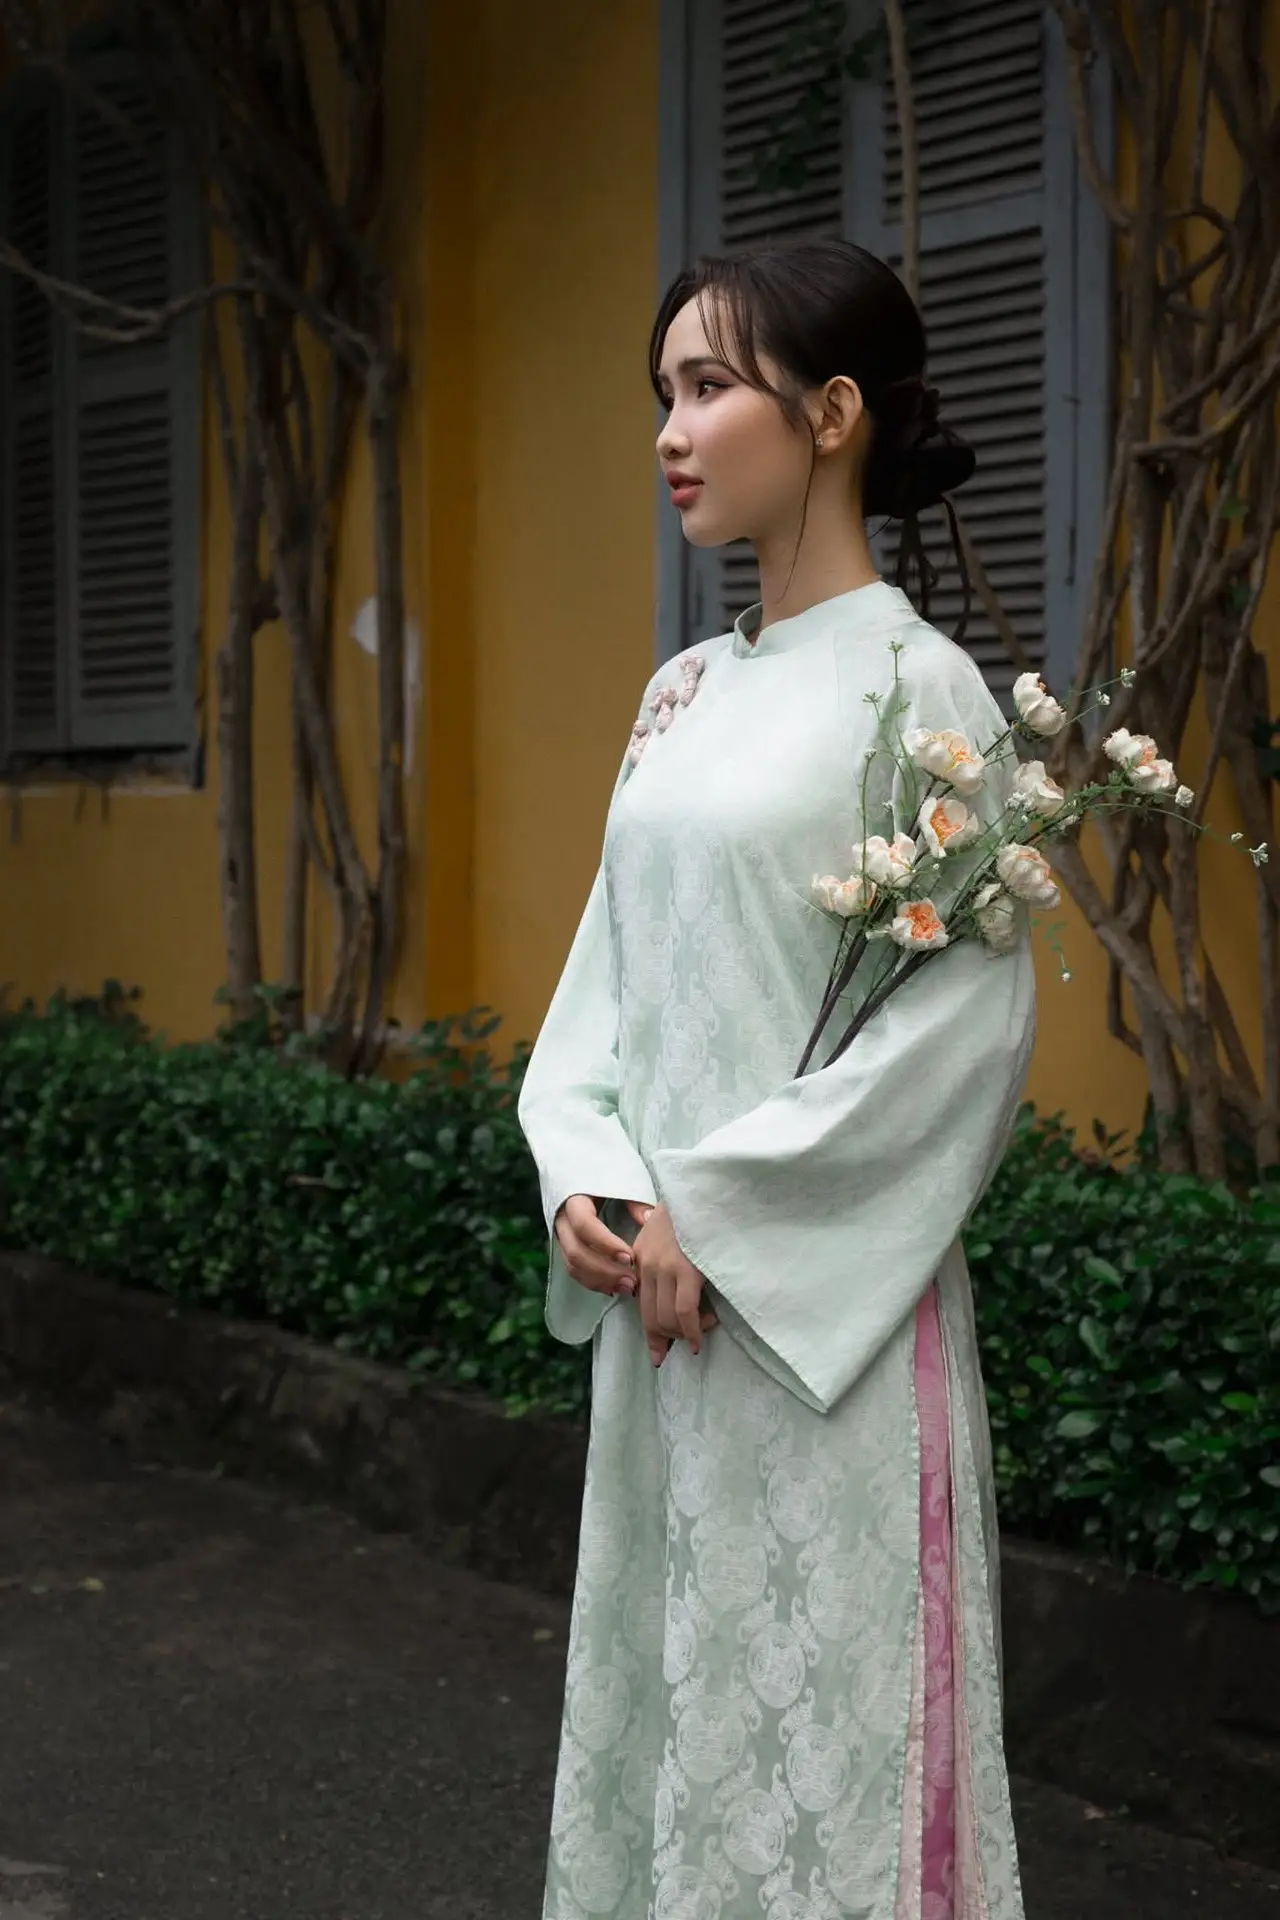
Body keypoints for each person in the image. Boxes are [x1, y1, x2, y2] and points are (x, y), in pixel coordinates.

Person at [517, 237, 1035, 1920]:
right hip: (663, 1328)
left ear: (831, 413)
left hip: (823, 1337)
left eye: (708, 388)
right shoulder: (679, 692)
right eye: (661, 393)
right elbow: (605, 977)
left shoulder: (920, 687)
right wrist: (594, 1175)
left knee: (826, 1765)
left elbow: (963, 1028)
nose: (670, 433)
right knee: (673, 1721)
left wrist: (722, 1214)